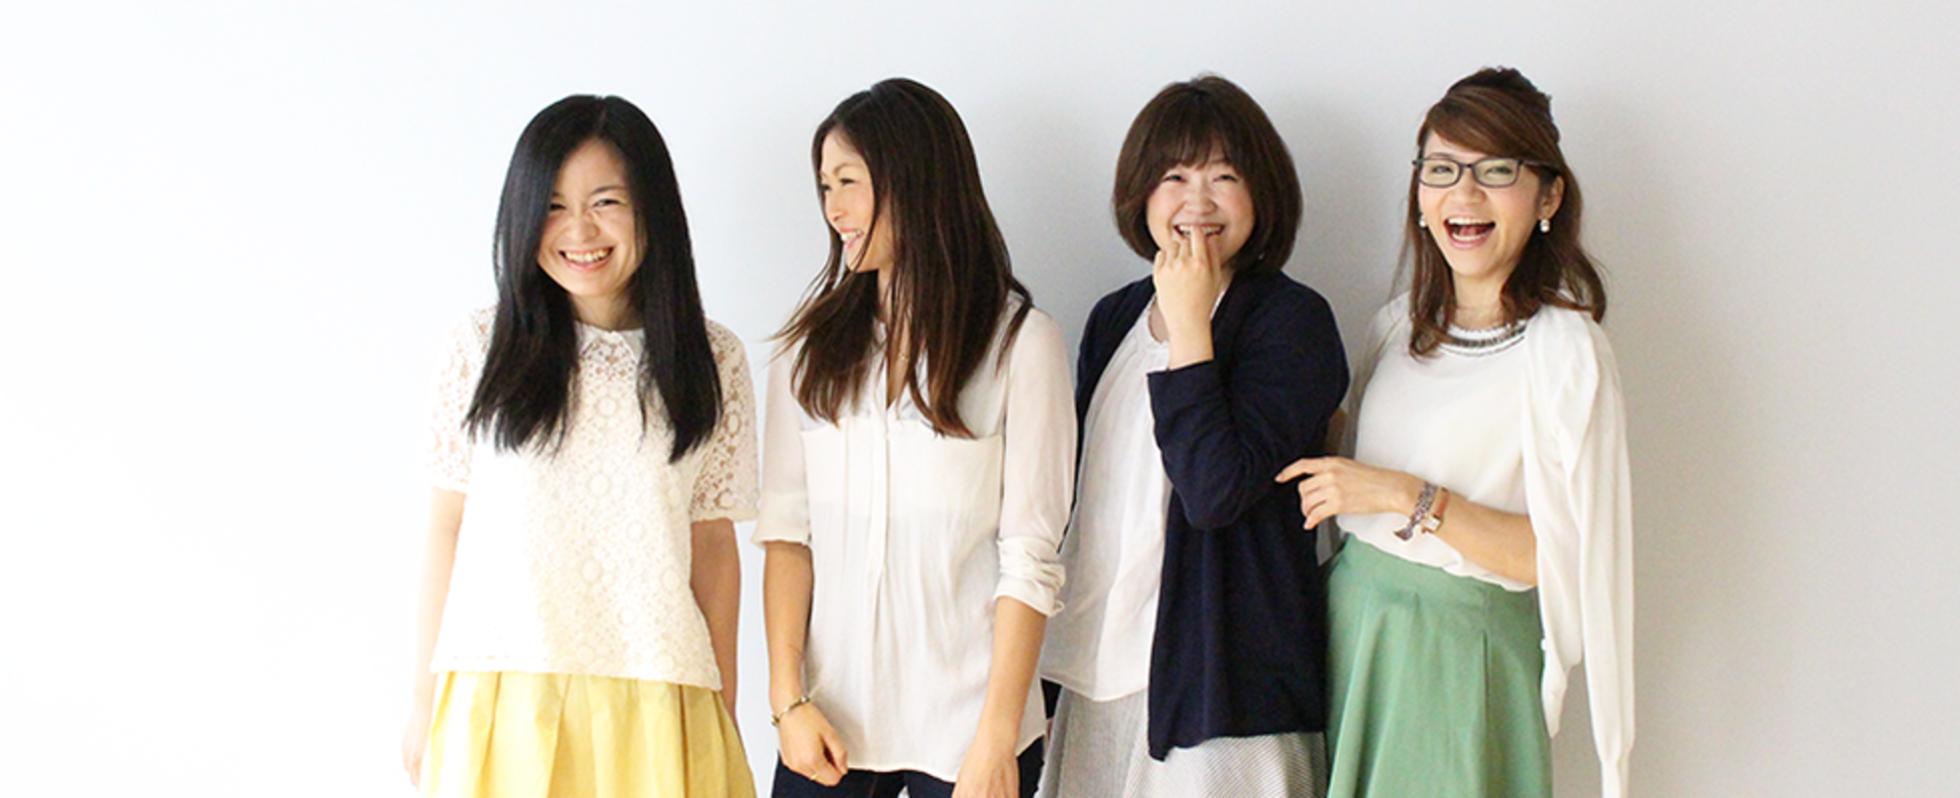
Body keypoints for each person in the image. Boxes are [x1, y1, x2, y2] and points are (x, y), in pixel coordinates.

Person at [1277, 67, 1634, 798]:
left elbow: (1563, 559)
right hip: (1354, 633)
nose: (1463, 195)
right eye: (1441, 169)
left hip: (1459, 657)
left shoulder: (1565, 350)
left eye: (1495, 171)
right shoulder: (1397, 326)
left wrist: (1405, 495)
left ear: (1548, 196)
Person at [403, 95, 758, 797]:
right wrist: (422, 699)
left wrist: (723, 708)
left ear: (653, 208)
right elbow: (448, 524)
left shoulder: (712, 359)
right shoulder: (479, 347)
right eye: (553, 206)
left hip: (660, 691)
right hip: (504, 693)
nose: (579, 230)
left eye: (606, 202)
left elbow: (714, 544)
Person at [756, 78, 1074, 798]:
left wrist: (996, 739)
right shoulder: (806, 353)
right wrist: (786, 702)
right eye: (825, 186)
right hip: (828, 721)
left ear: (916, 179)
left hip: (970, 728)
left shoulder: (1022, 344)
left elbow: (1030, 558)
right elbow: (786, 537)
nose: (833, 209)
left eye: (849, 182)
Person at [1037, 74, 1349, 797]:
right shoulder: (1114, 319)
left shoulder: (1292, 322)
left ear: (1261, 193)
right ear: (1141, 193)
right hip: (1094, 675)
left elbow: (1215, 491)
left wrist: (1189, 328)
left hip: (1222, 695)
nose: (1197, 201)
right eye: (1174, 176)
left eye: (1224, 177)